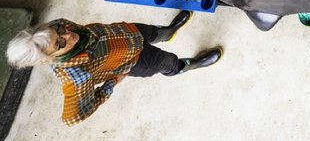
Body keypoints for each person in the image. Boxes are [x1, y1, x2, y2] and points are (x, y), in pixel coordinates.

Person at [5, 11, 221, 126]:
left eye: (59, 30)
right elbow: (73, 116)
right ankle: (187, 65)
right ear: (47, 58)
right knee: (168, 60)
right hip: (135, 59)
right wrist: (111, 84)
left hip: (125, 32)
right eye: (60, 44)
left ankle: (169, 32)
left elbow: (67, 31)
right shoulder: (74, 74)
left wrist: (59, 32)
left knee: (153, 31)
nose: (68, 35)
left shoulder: (56, 24)